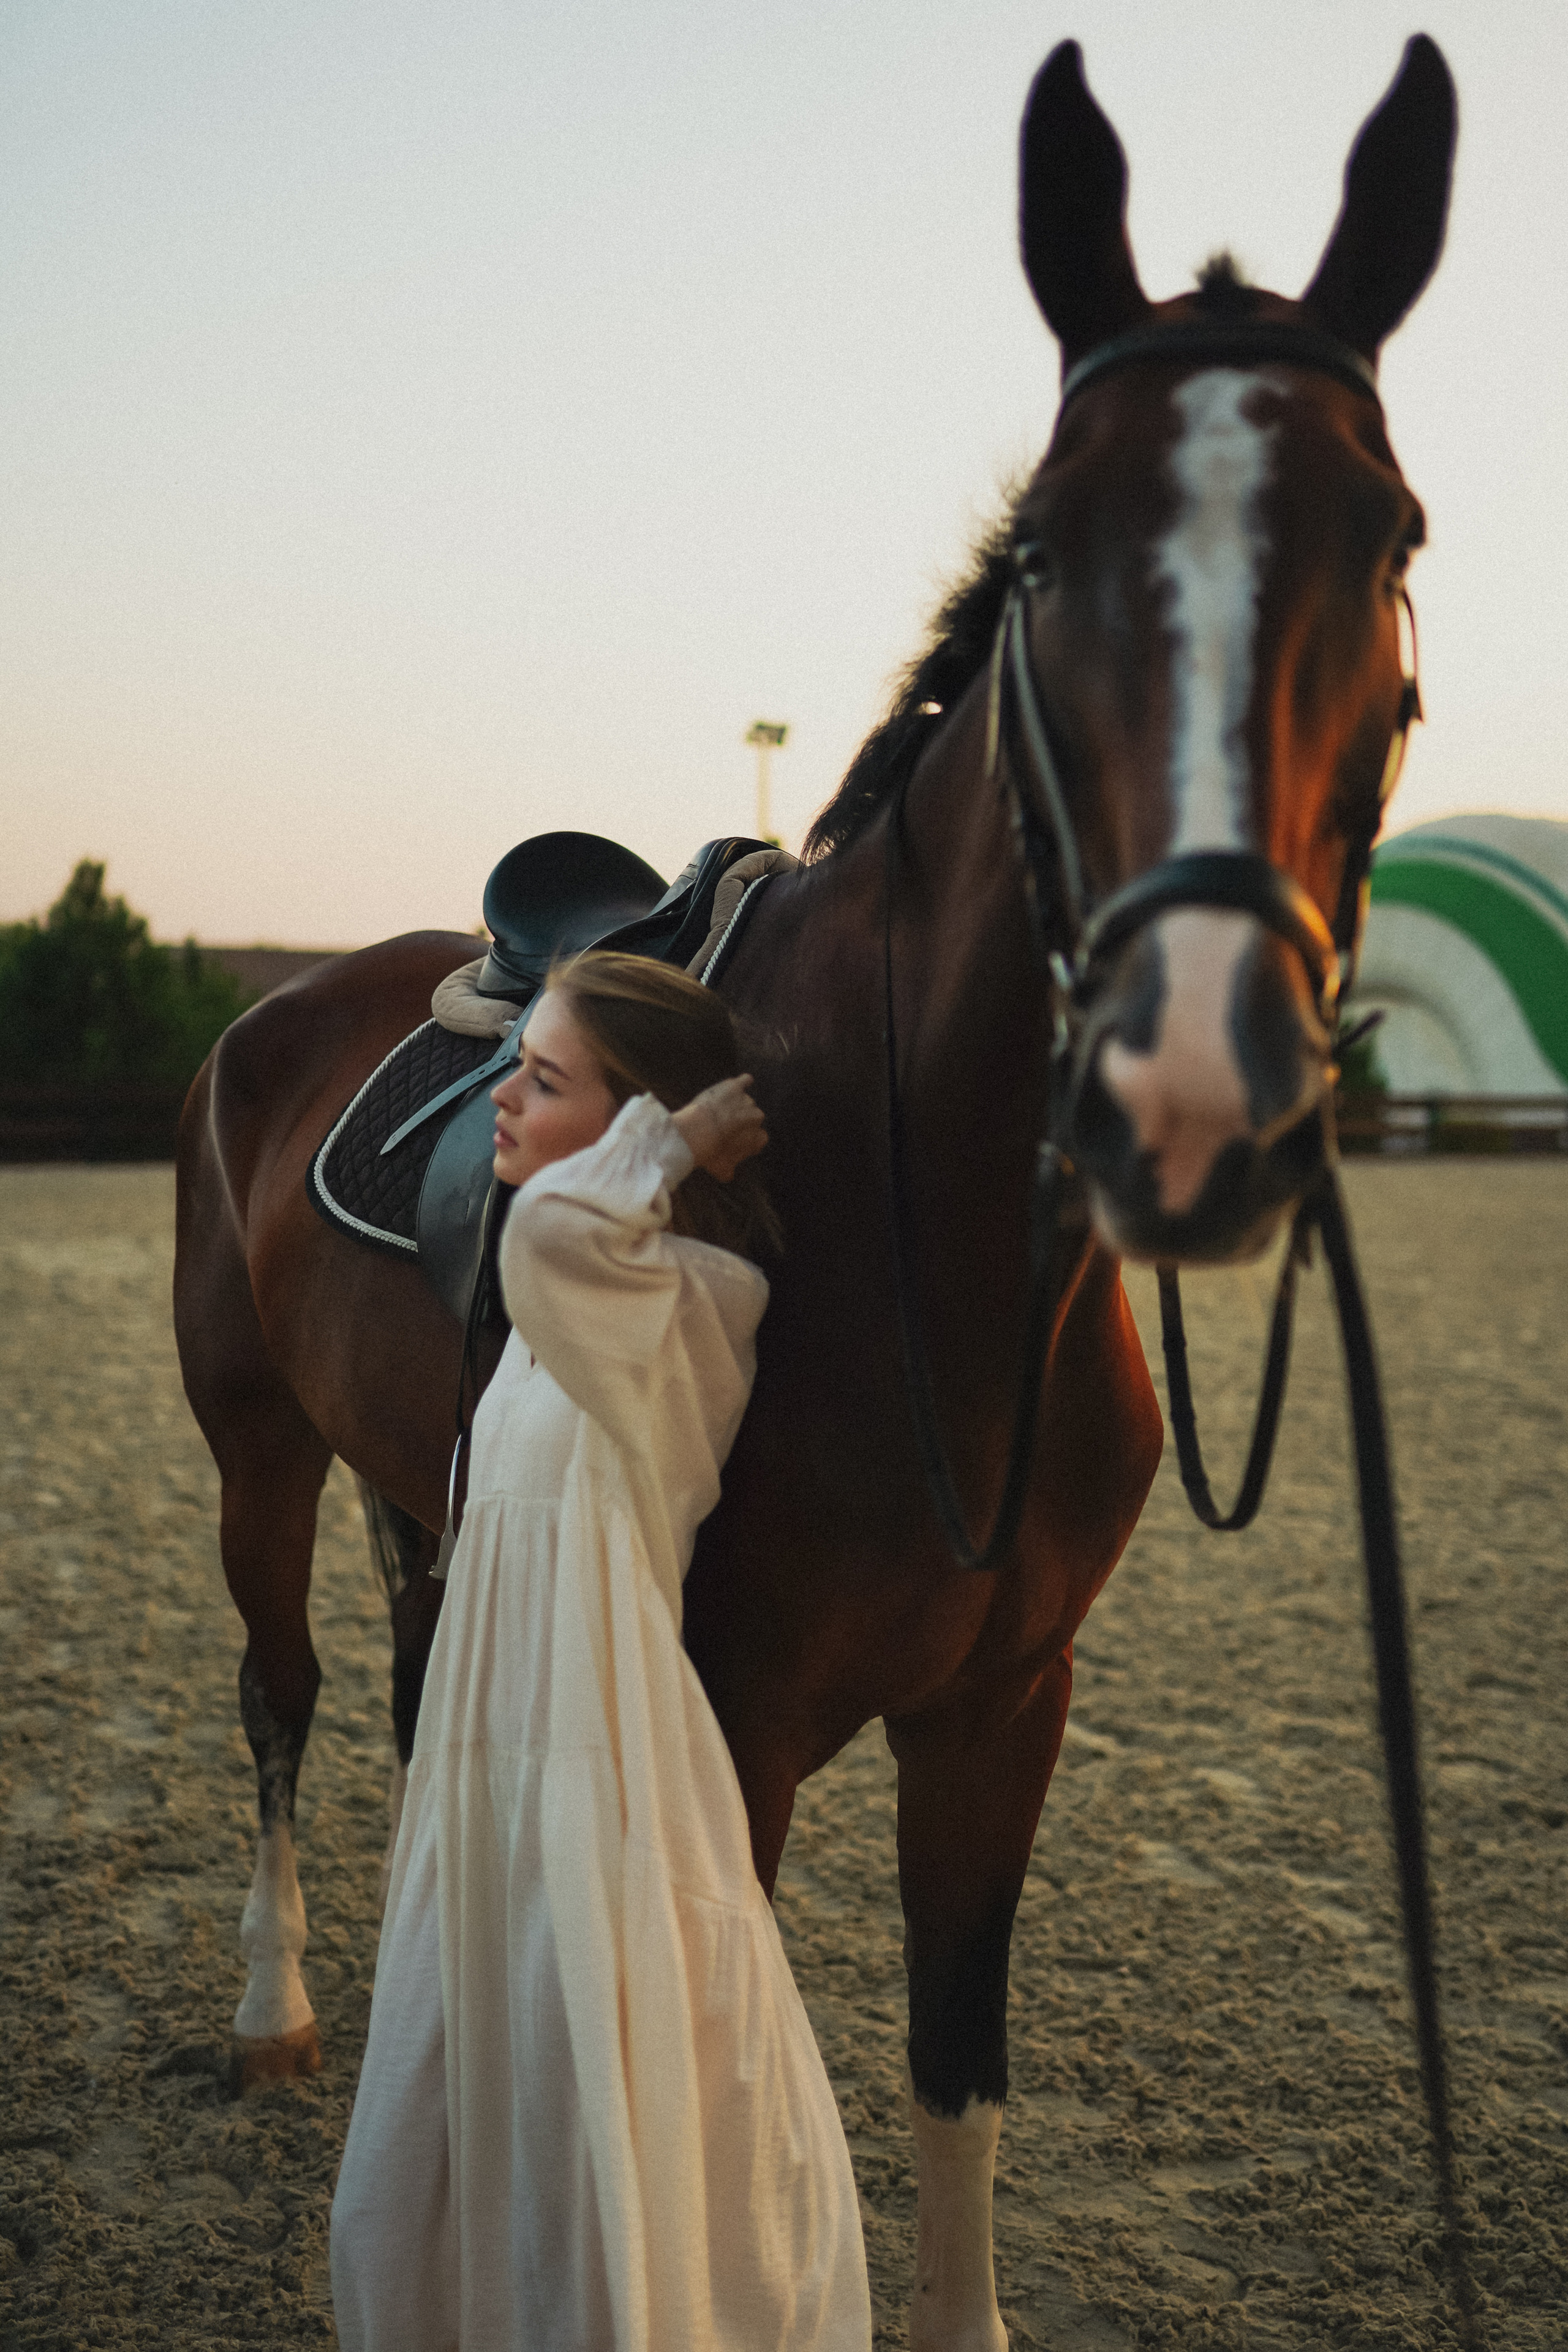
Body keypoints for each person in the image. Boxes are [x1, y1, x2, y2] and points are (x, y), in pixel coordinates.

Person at [330, 952, 871, 2351]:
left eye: (543, 1077)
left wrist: (671, 1147)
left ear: (637, 1121)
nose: (498, 1098)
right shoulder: (595, 1272)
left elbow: (547, 1247)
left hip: (590, 1728)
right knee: (466, 2059)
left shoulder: (687, 1293)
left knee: (590, 2064)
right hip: (495, 1725)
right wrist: (635, 1142)